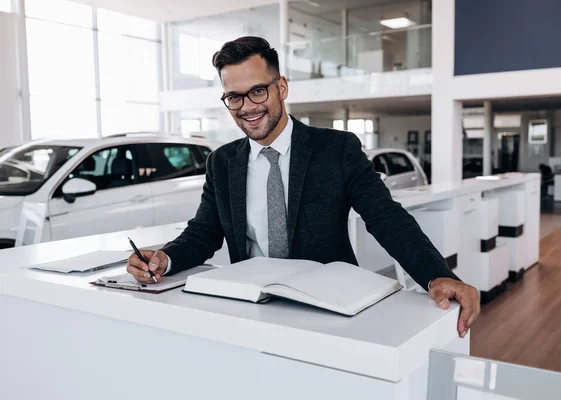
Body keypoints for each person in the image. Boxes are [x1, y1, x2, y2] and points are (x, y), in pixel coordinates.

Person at [127, 36, 480, 337]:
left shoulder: (337, 149)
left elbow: (386, 216)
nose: (247, 107)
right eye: (234, 97)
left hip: (327, 311)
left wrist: (435, 275)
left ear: (281, 87)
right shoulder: (222, 162)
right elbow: (203, 233)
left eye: (258, 91)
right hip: (251, 310)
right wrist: (165, 257)